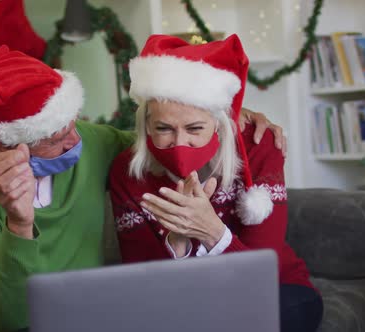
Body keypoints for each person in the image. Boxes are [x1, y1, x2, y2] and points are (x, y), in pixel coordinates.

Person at [0, 45, 287, 331]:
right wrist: (19, 224)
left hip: (88, 320)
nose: (74, 140)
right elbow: (9, 316)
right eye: (56, 138)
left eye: (73, 124)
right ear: (7, 144)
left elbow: (167, 136)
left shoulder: (89, 142)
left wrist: (228, 113)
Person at [109, 34, 323, 332]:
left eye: (195, 128)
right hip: (185, 301)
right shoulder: (127, 170)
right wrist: (178, 242)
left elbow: (262, 273)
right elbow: (145, 280)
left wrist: (213, 233)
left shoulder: (259, 147)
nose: (179, 142)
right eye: (163, 128)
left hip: (276, 288)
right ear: (146, 125)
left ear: (221, 122)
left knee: (278, 315)